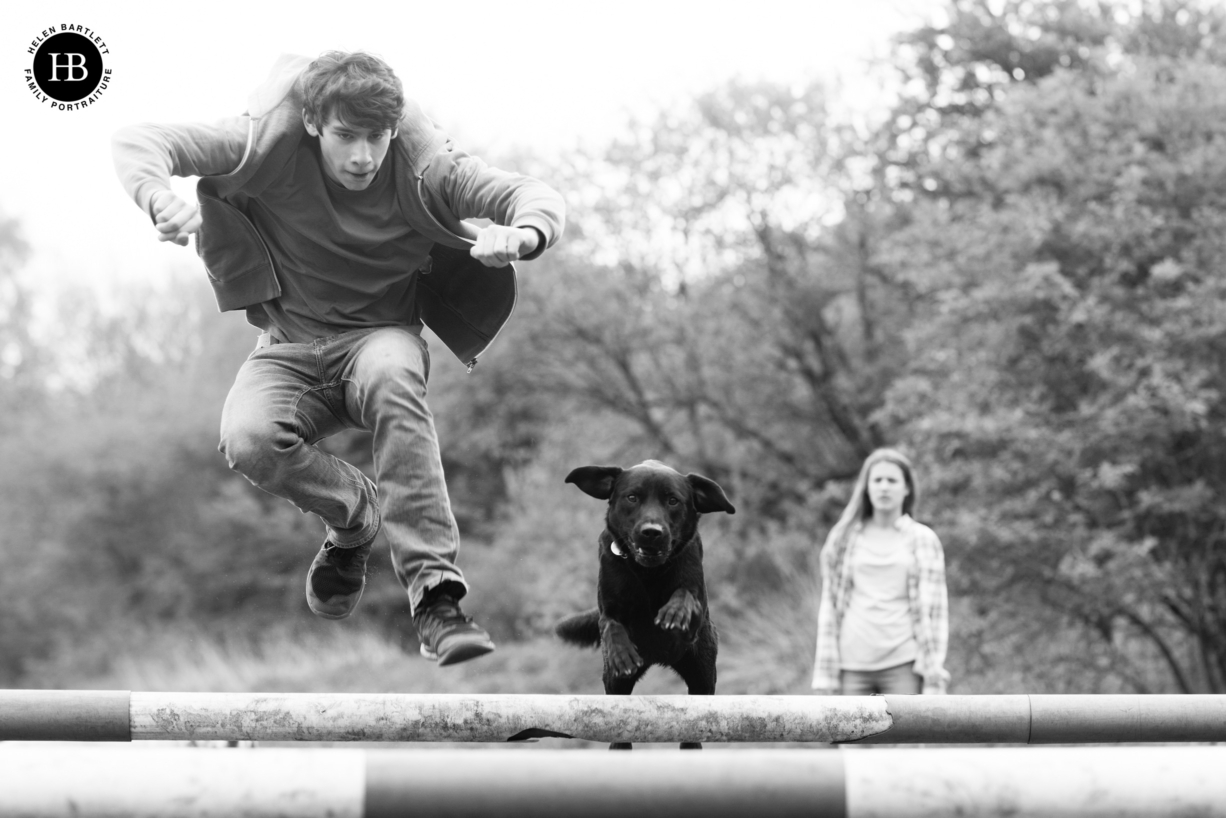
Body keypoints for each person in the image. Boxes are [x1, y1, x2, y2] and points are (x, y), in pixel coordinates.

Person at [111, 51, 566, 666]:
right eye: (346, 137)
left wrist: (526, 231)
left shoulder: (426, 163)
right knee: (247, 438)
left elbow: (527, 193)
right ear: (313, 123)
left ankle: (436, 600)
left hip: (380, 339)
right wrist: (156, 198)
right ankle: (355, 517)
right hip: (287, 350)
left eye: (376, 138)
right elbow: (141, 140)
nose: (362, 157)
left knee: (392, 372)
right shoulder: (259, 142)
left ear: (394, 129)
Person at [812, 448, 950, 695]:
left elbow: (936, 614)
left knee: (903, 734)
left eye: (892, 480)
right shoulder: (843, 538)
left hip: (903, 665)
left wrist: (933, 673)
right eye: (877, 480)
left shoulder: (923, 539)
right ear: (867, 487)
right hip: (851, 666)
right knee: (850, 735)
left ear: (906, 488)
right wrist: (825, 676)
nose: (884, 487)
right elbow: (830, 608)